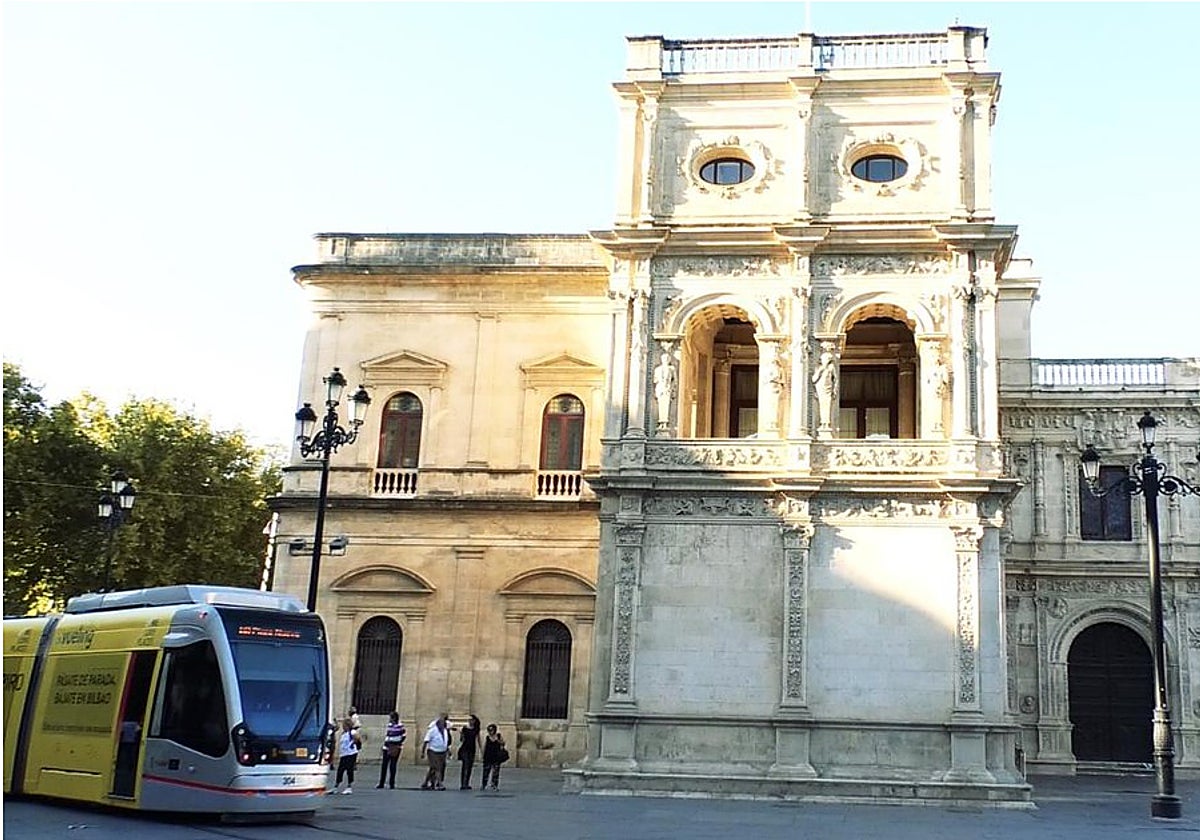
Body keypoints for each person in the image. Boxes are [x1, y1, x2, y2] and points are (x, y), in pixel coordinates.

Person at [419, 712, 451, 791]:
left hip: (442, 752)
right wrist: (422, 752)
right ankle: (440, 784)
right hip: (433, 751)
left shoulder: (445, 731)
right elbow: (426, 741)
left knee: (433, 768)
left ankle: (425, 783)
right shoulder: (432, 731)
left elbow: (445, 742)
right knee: (437, 768)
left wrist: (448, 750)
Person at [376, 711, 406, 789]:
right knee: (384, 765)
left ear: (394, 718)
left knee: (393, 765)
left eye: (391, 718)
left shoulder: (400, 726)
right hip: (387, 747)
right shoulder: (389, 725)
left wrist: (397, 744)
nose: (390, 719)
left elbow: (403, 736)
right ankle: (381, 783)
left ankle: (391, 783)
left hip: (395, 747)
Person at [333, 717, 362, 794]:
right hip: (344, 754)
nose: (343, 726)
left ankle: (349, 786)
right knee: (340, 770)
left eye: (344, 725)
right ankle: (336, 786)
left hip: (351, 753)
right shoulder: (344, 733)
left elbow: (357, 738)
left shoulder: (352, 732)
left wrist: (353, 743)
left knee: (349, 769)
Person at [457, 714, 482, 790]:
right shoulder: (465, 729)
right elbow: (461, 740)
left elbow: (478, 739)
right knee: (465, 765)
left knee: (470, 766)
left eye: (471, 720)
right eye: (469, 720)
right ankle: (463, 783)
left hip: (472, 749)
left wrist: (481, 750)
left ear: (474, 721)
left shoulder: (476, 729)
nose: (470, 721)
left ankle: (467, 783)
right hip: (465, 749)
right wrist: (461, 733)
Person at [480, 723, 506, 792]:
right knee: (486, 771)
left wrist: (498, 740)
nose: (490, 732)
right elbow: (485, 746)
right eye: (489, 730)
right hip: (488, 756)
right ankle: (484, 784)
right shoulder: (487, 737)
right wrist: (483, 755)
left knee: (496, 772)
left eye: (491, 730)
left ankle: (494, 785)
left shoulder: (498, 736)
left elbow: (503, 743)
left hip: (496, 757)